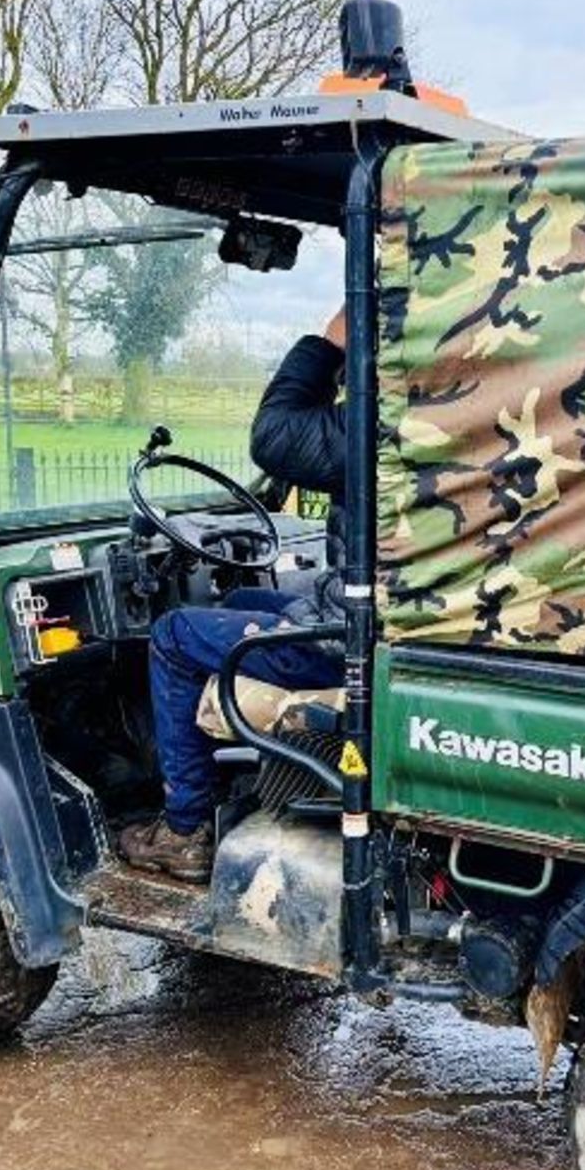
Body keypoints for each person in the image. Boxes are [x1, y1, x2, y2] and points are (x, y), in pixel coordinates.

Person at [118, 310, 348, 882]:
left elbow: (275, 436)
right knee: (244, 601)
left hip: (349, 636)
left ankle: (185, 826)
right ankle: (232, 776)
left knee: (173, 635)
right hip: (372, 616)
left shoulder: (391, 418)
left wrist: (331, 340)